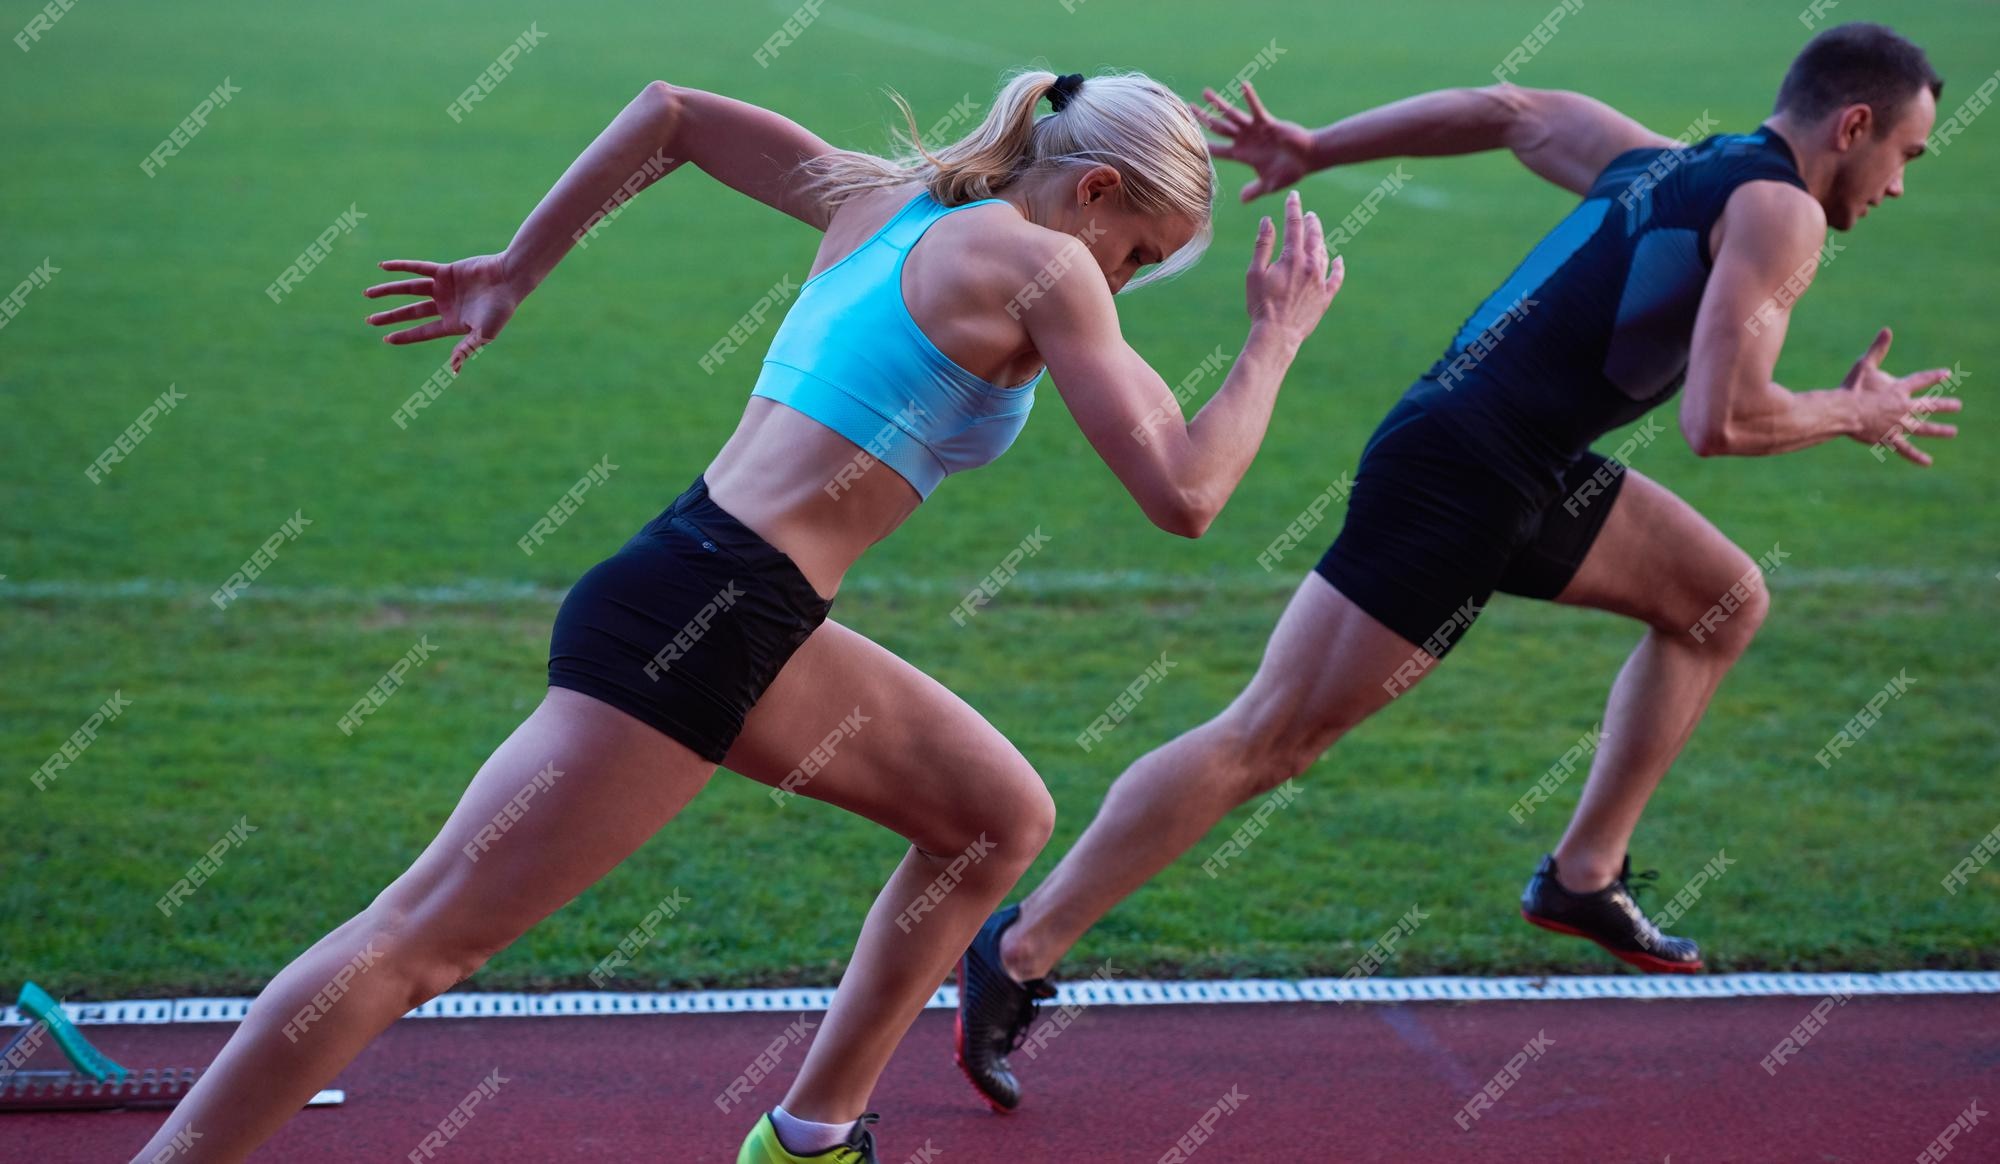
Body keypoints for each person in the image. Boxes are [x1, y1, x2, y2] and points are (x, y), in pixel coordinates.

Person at [128, 67, 1341, 1164]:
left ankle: (806, 1142)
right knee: (421, 940)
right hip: (704, 617)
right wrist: (1273, 340)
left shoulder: (886, 200)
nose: (1121, 280)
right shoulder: (1048, 267)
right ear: (1095, 191)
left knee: (992, 820)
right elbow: (1183, 493)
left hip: (718, 593)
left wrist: (519, 266)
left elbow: (674, 113)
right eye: (1137, 253)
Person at [954, 22, 1959, 1112]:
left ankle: (1582, 877)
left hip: (1515, 462)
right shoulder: (1782, 211)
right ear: (1850, 126)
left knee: (1717, 600)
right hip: (1464, 475)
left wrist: (1316, 146)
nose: (1900, 185)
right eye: (1904, 153)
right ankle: (1016, 952)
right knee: (1269, 738)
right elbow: (1721, 417)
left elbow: (1507, 112)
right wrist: (1853, 410)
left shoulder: (1667, 161)